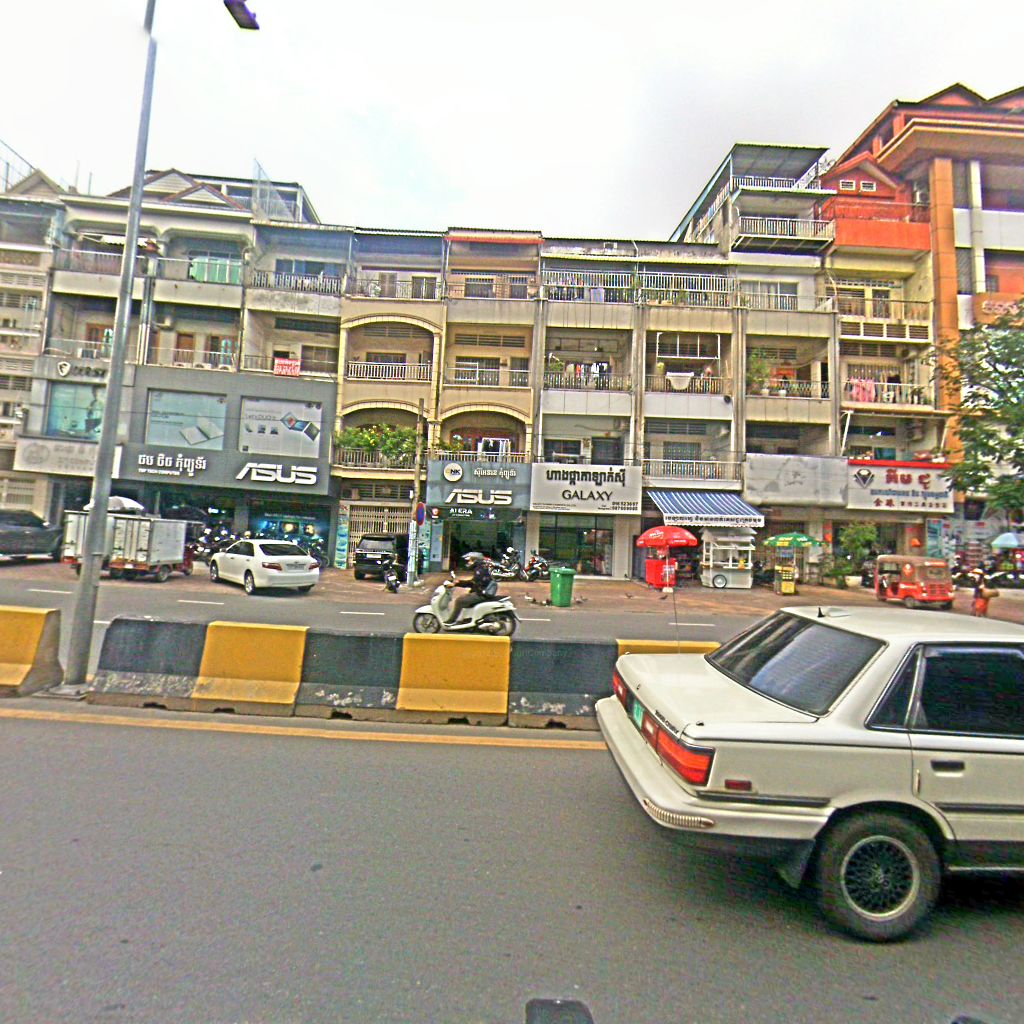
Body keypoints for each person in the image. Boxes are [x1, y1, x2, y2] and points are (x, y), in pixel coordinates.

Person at [447, 550, 496, 623]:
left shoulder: (480, 571)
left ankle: (451, 621)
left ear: (475, 561)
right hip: (481, 592)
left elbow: (473, 583)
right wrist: (458, 583)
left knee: (459, 600)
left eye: (470, 561)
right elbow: (473, 582)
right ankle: (468, 619)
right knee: (466, 597)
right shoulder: (480, 568)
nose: (468, 563)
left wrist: (457, 583)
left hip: (481, 594)